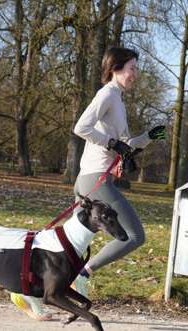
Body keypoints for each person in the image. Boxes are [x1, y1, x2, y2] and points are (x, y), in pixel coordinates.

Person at [72, 47, 165, 296]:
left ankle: (29, 288)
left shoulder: (118, 100)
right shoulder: (108, 94)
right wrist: (112, 144)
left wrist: (148, 136)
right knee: (134, 236)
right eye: (132, 68)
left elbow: (125, 145)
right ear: (116, 68)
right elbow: (81, 127)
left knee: (70, 245)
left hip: (88, 179)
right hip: (97, 181)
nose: (136, 73)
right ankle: (83, 274)